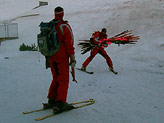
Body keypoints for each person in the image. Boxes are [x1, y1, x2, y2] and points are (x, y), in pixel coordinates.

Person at [45, 6, 77, 111]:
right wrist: (72, 57)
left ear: (54, 14)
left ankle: (52, 99)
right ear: (62, 14)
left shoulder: (49, 25)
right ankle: (61, 102)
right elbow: (69, 43)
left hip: (51, 56)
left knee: (56, 78)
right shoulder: (64, 26)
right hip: (61, 57)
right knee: (63, 79)